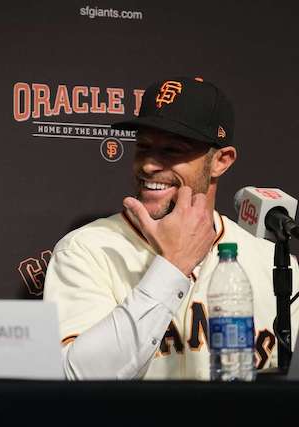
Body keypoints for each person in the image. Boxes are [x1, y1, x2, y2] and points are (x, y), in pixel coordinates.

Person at [43, 76, 299, 380]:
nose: (150, 165)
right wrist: (172, 266)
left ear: (221, 160)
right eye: (144, 147)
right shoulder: (87, 250)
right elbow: (75, 378)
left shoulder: (272, 262)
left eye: (172, 150)